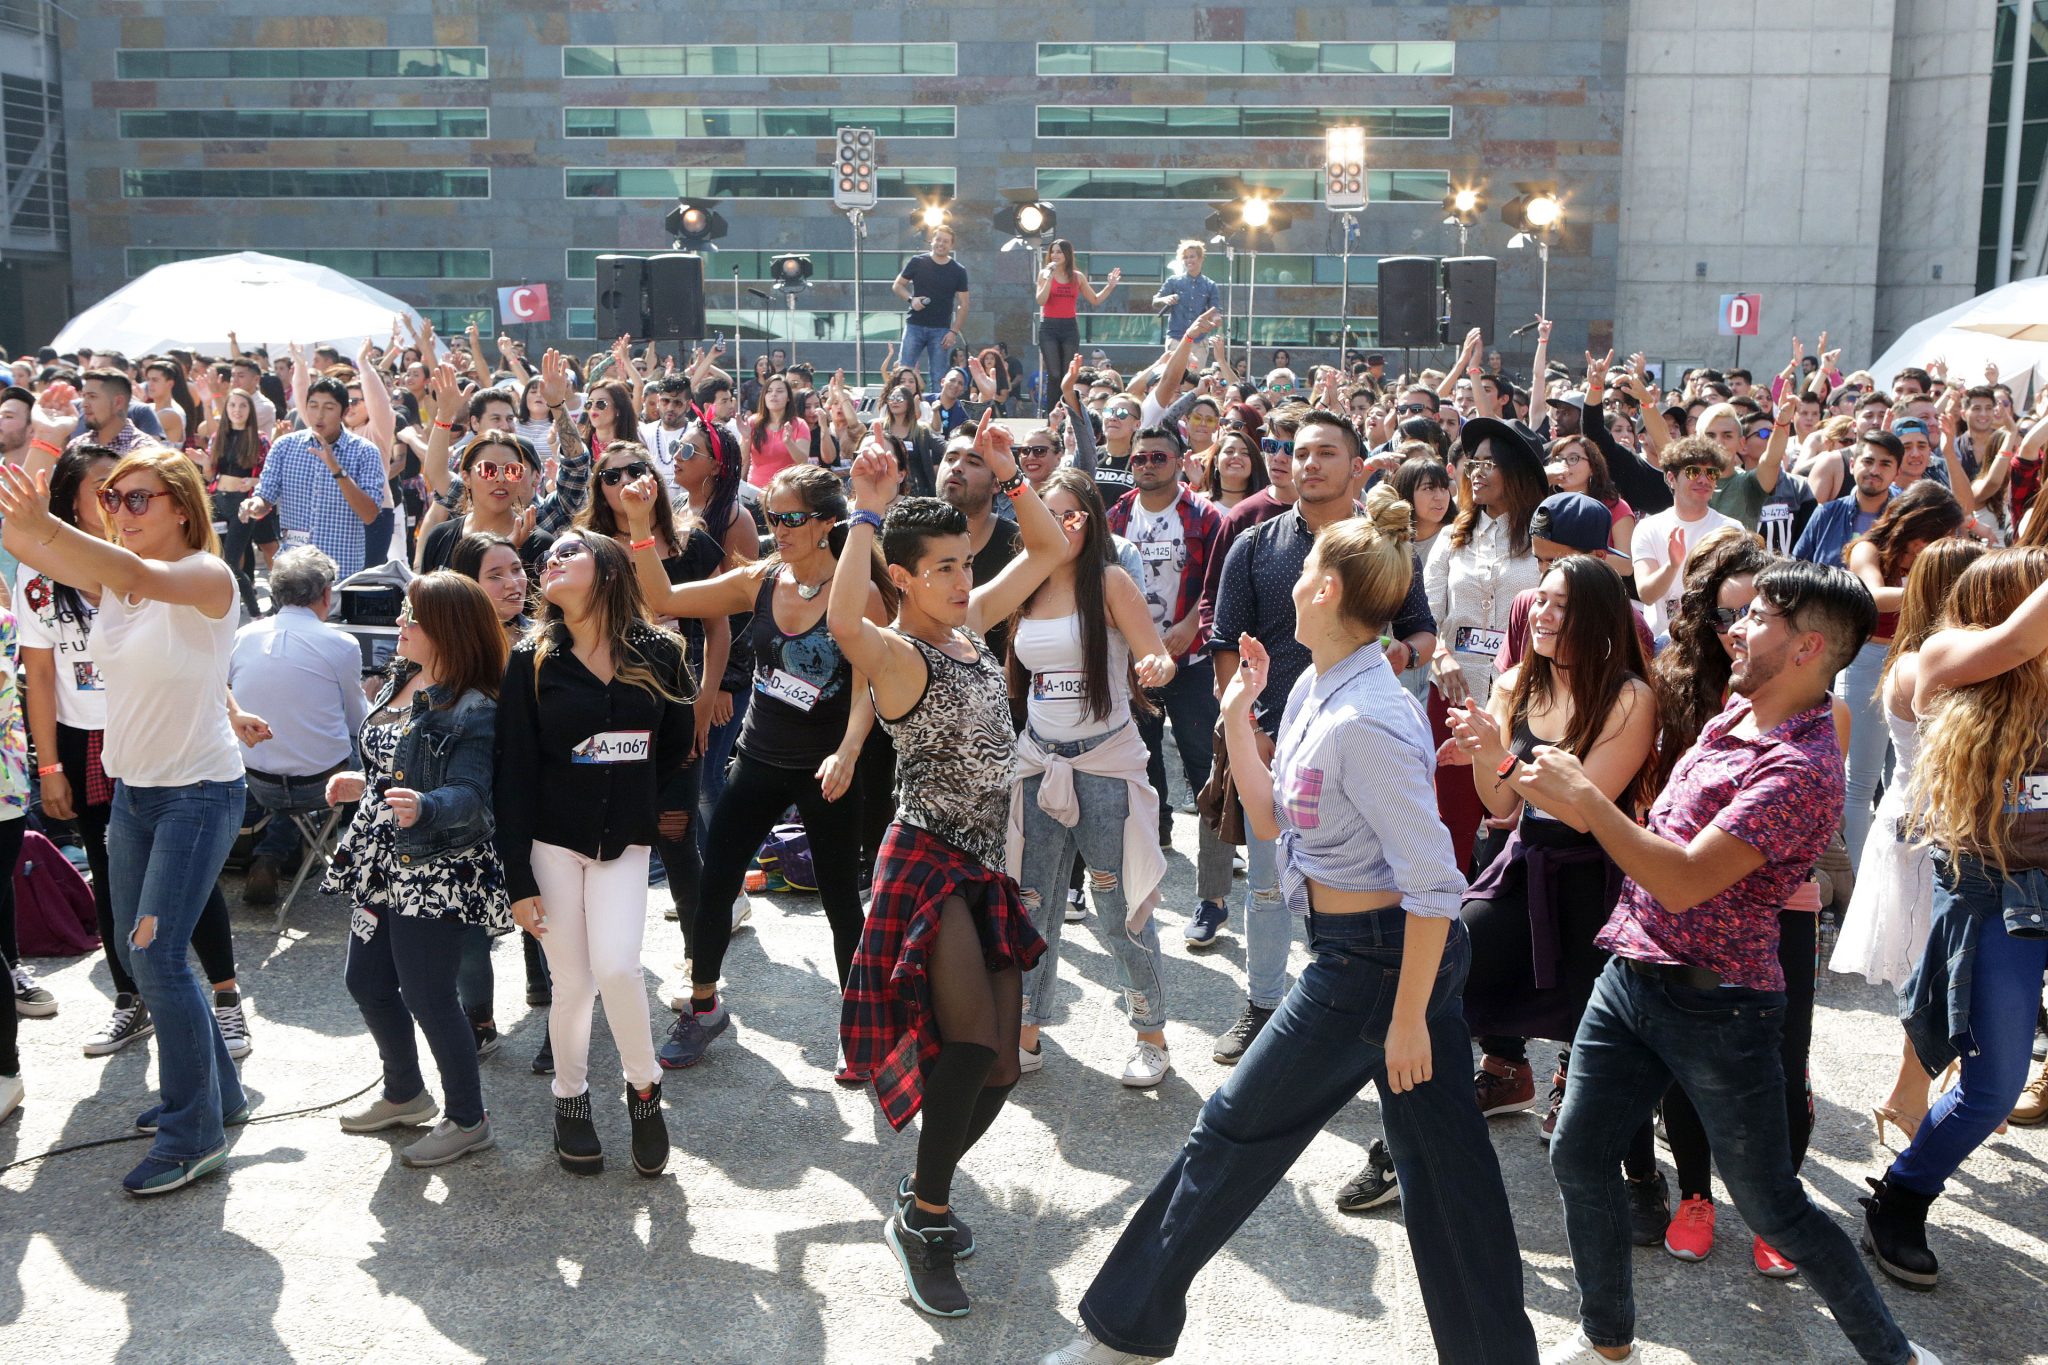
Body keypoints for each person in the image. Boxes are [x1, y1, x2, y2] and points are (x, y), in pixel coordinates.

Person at [1038, 499, 1541, 1365]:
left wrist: (1410, 1015)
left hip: (1381, 964)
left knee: (1232, 1130)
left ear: (1328, 588)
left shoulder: (1369, 718)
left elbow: (1432, 885)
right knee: (1446, 1176)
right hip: (1371, 957)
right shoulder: (1317, 684)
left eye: (1305, 571)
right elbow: (1268, 820)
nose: (1291, 582)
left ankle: (1122, 1333)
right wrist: (1239, 711)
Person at [1518, 562, 1943, 1365]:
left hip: (1721, 1009)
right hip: (1632, 976)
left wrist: (1584, 795)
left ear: (1807, 646)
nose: (1734, 627)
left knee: (1775, 1207)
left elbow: (1679, 879)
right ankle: (1610, 1342)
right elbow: (1665, 833)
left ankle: (1897, 1356)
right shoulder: (1735, 713)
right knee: (1577, 1152)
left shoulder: (1802, 769)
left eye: (1758, 618)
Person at [831, 420, 1063, 1318]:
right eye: (945, 569)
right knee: (968, 1044)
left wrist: (1009, 477)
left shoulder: (972, 627)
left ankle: (920, 1194)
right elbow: (844, 619)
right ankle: (927, 1217)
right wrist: (864, 513)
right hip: (925, 863)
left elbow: (1044, 544)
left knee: (1000, 1068)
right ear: (905, 577)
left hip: (980, 868)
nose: (965, 580)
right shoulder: (898, 656)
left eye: (968, 564)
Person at [0, 446, 250, 1196]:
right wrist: (21, 517)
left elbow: (135, 572)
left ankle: (191, 1133)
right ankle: (220, 1096)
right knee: (147, 958)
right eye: (112, 498)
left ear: (181, 505)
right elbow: (29, 548)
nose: (120, 510)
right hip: (136, 793)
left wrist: (46, 521)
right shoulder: (116, 581)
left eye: (138, 498)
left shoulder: (205, 573)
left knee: (160, 957)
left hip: (198, 793)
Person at [621, 463, 889, 1070]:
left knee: (842, 901)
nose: (778, 528)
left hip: (826, 769)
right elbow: (662, 599)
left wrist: (847, 752)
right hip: (759, 757)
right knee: (716, 883)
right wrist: (640, 526)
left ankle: (860, 1024)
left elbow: (871, 684)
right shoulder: (762, 579)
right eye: (771, 516)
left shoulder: (860, 593)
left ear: (825, 524)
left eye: (791, 518)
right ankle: (704, 1004)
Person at [1206, 418, 1437, 1059]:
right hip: (1275, 742)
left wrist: (1388, 660)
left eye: (1323, 452)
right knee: (1266, 887)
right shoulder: (1253, 545)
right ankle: (1263, 1008)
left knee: (1359, 890)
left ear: (1358, 466)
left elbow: (1420, 634)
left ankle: (1357, 1027)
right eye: (1292, 450)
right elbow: (1227, 646)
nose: (1304, 463)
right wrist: (1247, 731)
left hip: (1351, 754)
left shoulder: (1380, 552)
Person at [1864, 547, 2048, 1290]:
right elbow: (2012, 644)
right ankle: (1902, 1196)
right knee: (1994, 1084)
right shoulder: (1941, 655)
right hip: (1991, 887)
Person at [495, 530, 694, 1177]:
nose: (549, 560)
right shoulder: (531, 658)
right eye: (546, 556)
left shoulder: (660, 651)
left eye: (568, 552)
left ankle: (644, 1090)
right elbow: (514, 772)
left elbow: (678, 744)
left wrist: (657, 807)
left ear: (608, 570)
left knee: (618, 968)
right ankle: (570, 1097)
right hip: (552, 842)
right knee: (573, 983)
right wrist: (517, 878)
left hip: (625, 843)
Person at [1450, 555, 1656, 1131]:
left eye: (1560, 604)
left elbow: (1583, 812)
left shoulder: (1629, 697)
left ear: (1596, 617)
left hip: (1603, 879)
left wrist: (1500, 757)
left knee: (1605, 1031)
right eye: (1540, 599)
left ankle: (1633, 1171)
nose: (1542, 613)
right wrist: (1481, 752)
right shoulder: (1515, 681)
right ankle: (1429, 1126)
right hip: (1525, 865)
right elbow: (1500, 805)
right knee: (1447, 968)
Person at [323, 572, 508, 1168]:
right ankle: (405, 1092)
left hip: (436, 868)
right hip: (381, 856)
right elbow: (391, 760)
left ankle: (468, 1117)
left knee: (429, 995)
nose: (401, 624)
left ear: (446, 631)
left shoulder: (475, 706)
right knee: (367, 982)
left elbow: (474, 792)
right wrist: (364, 784)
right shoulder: (404, 678)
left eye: (413, 617)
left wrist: (427, 805)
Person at [1011, 469, 1178, 1088]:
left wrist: (1157, 665)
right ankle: (1023, 1033)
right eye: (1046, 515)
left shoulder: (1108, 580)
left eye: (1072, 515)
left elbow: (1151, 651)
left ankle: (1151, 1035)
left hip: (1104, 764)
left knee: (1118, 908)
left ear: (1092, 519)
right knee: (1031, 906)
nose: (1059, 526)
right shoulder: (1023, 585)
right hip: (1036, 762)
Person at [1831, 540, 1985, 1141]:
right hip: (1923, 833)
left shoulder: (1920, 658)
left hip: (1924, 827)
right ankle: (1908, 1096)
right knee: (1931, 974)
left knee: (1937, 971)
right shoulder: (1927, 664)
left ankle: (1923, 1089)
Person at [18, 447, 141, 1045]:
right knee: (112, 872)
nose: (117, 499)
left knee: (179, 876)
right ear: (69, 498)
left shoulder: (147, 553)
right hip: (84, 738)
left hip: (155, 728)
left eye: (127, 488)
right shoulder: (37, 576)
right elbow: (39, 677)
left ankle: (222, 996)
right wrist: (49, 767)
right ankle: (130, 995)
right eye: (103, 487)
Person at [1105, 425, 1234, 932]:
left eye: (1158, 456)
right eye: (1139, 458)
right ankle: (1156, 845)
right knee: (1142, 757)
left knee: (1205, 763)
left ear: (1181, 462)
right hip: (1137, 662)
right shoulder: (1117, 515)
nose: (1146, 465)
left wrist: (1190, 626)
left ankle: (1214, 892)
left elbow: (1220, 585)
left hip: (1193, 660)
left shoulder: (1207, 516)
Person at [1425, 416, 1548, 872]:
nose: (1475, 472)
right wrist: (1440, 656)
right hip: (1457, 699)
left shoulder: (1542, 539)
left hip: (1527, 703)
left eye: (1489, 464)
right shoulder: (1450, 538)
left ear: (1516, 472)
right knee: (1451, 819)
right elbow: (1425, 614)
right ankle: (1446, 922)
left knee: (1515, 821)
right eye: (1471, 463)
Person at [228, 545, 368, 905]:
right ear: (325, 594)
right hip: (320, 784)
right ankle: (362, 861)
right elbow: (358, 722)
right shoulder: (341, 644)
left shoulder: (244, 637)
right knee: (372, 753)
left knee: (294, 756)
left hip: (258, 782)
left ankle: (270, 856)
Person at [1838, 481, 1964, 864]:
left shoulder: (1934, 558)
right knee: (1860, 783)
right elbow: (1871, 597)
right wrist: (1931, 588)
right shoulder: (1868, 548)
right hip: (1868, 662)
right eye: (1937, 534)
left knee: (1910, 784)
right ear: (1914, 524)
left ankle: (1907, 869)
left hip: (1917, 668)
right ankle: (1857, 878)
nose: (1942, 542)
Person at [242, 376, 384, 578]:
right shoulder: (285, 446)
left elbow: (369, 514)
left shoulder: (364, 451)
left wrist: (336, 469)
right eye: (313, 406)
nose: (319, 415)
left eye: (329, 407)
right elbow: (266, 494)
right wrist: (254, 505)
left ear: (344, 412)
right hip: (294, 567)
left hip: (341, 566)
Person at [1629, 434, 1738, 640]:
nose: (1704, 480)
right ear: (1671, 478)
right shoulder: (1648, 528)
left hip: (1714, 640)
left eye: (1711, 473)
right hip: (1665, 641)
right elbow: (1646, 594)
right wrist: (1672, 565)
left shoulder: (1731, 529)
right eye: (1693, 471)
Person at [206, 389, 272, 616]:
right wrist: (203, 462)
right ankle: (223, 608)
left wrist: (255, 479)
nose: (237, 410)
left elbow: (270, 474)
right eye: (232, 405)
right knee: (216, 558)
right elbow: (210, 473)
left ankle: (254, 612)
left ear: (250, 410)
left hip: (243, 503)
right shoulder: (218, 437)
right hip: (217, 501)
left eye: (242, 406)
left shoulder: (260, 439)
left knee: (231, 561)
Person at [1036, 240, 1120, 412]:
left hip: (1069, 328)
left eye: (1059, 252)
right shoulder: (1045, 274)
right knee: (1054, 374)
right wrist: (1049, 279)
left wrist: (1110, 287)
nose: (1055, 255)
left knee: (1068, 375)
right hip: (1049, 328)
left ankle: (1068, 412)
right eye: (1053, 252)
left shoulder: (1077, 277)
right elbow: (1041, 300)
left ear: (1067, 255)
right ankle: (1053, 413)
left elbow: (1095, 299)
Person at [894, 226, 971, 394]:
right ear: (932, 241)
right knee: (903, 371)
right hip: (914, 325)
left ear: (951, 245)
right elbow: (898, 285)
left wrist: (953, 331)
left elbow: (964, 304)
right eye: (938, 239)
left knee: (938, 377)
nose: (941, 244)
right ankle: (899, 409)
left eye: (946, 241)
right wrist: (911, 299)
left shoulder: (958, 270)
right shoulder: (917, 262)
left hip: (941, 330)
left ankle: (937, 416)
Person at [738, 373, 811, 487]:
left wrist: (789, 443)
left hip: (787, 492)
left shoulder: (799, 425)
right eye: (769, 391)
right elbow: (743, 459)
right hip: (755, 491)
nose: (774, 394)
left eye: (780, 391)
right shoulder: (753, 422)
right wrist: (746, 438)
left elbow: (803, 462)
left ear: (788, 398)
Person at [1149, 240, 1221, 344]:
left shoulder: (1210, 285)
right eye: (1185, 257)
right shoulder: (1173, 281)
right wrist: (1165, 299)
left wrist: (1216, 318)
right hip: (1176, 338)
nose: (1188, 260)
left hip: (1198, 340)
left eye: (1192, 256)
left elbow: (1214, 310)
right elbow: (1155, 302)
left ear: (1200, 258)